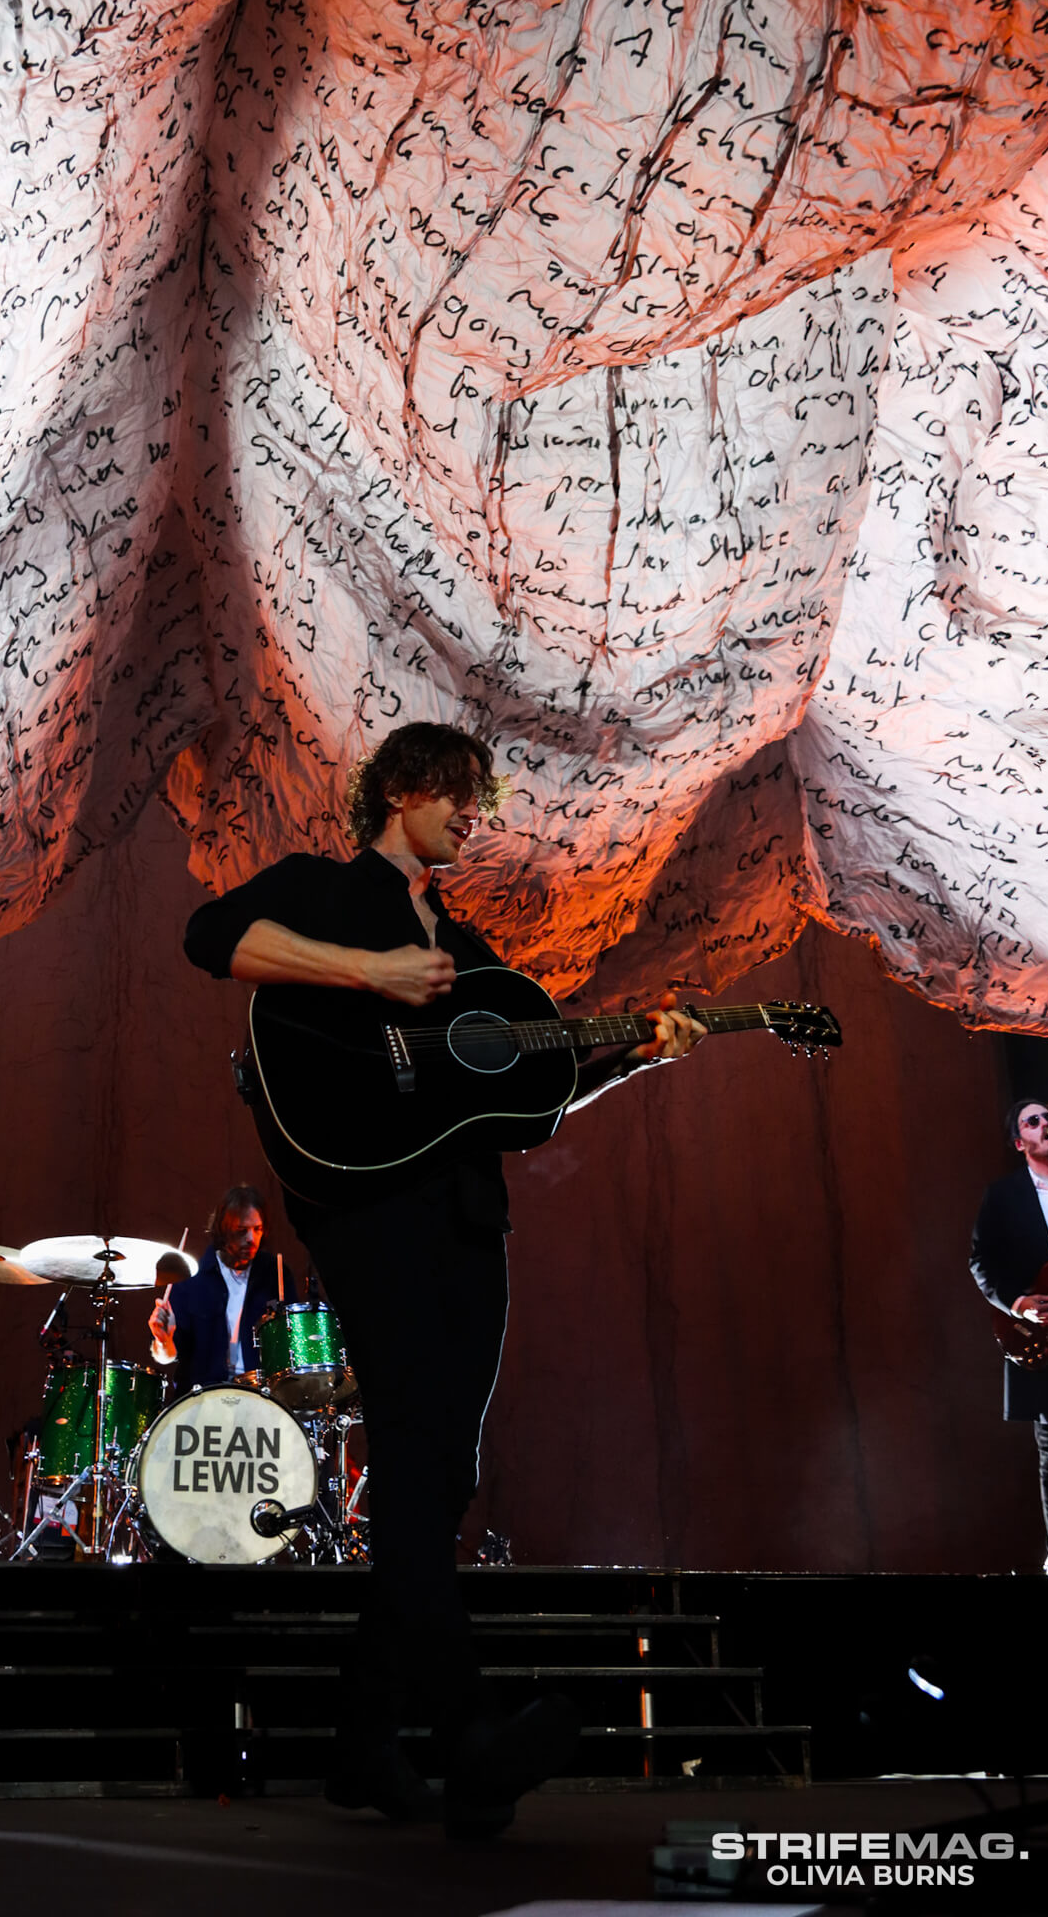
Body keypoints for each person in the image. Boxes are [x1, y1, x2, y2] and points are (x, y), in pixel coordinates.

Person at [183, 720, 706, 1835]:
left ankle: (362, 1746)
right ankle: (467, 1725)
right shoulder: (325, 891)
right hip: (369, 1204)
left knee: (435, 1480)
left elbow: (528, 1101)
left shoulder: (469, 951)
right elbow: (212, 934)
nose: (476, 817)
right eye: (461, 796)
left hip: (468, 1220)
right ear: (405, 789)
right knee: (421, 1464)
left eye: (481, 800)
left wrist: (633, 1054)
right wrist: (365, 967)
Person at [971, 1099, 1048, 1575]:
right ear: (1020, 1143)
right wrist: (1019, 1304)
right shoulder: (1003, 1195)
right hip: (1044, 1330)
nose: (1045, 1123)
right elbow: (981, 1262)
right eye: (1032, 1121)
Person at [148, 1188, 291, 1396]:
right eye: (242, 1230)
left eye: (257, 1229)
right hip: (204, 1398)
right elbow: (167, 1357)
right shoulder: (191, 1277)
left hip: (262, 1398)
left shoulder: (275, 1274)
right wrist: (163, 1340)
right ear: (223, 1230)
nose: (252, 1238)